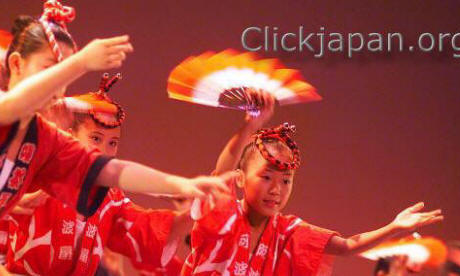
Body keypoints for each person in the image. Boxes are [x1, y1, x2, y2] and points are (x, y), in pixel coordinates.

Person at [0, 5, 232, 276]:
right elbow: (13, 105)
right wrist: (81, 63)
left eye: (65, 75)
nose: (59, 86)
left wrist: (180, 183)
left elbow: (111, 170)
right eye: (50, 70)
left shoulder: (43, 139)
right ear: (15, 65)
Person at [181, 89, 444, 275]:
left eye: (286, 181)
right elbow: (222, 169)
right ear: (239, 178)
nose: (276, 190)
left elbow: (347, 246)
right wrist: (251, 125)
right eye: (266, 177)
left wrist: (394, 226)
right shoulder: (222, 214)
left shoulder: (288, 231)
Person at [0, 73, 191, 275]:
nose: (104, 151)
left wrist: (196, 210)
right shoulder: (40, 174)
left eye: (112, 143)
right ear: (69, 135)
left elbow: (146, 230)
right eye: (95, 139)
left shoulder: (110, 198)